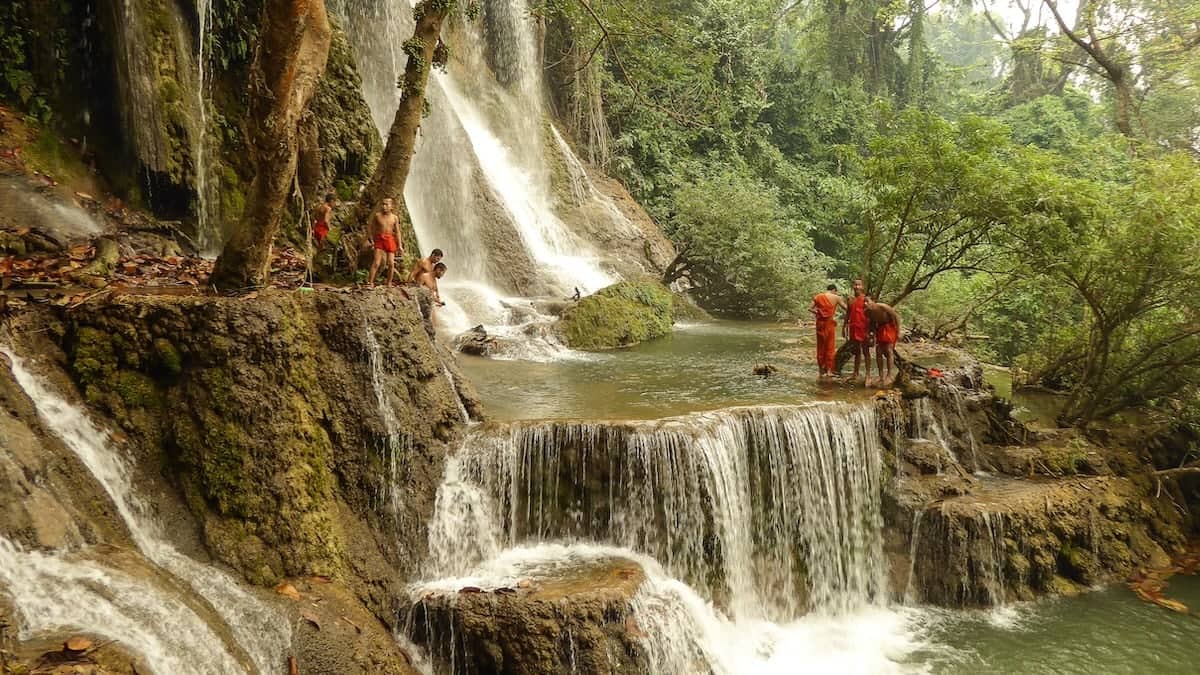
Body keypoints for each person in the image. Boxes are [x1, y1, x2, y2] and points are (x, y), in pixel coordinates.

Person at [810, 284, 845, 378]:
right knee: (830, 346)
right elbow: (846, 308)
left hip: (820, 324)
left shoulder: (818, 296)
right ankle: (829, 370)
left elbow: (810, 308)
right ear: (834, 290)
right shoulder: (836, 297)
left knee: (820, 346)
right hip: (829, 323)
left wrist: (819, 313)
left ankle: (821, 370)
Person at [865, 297, 901, 387]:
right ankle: (881, 375)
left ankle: (889, 375)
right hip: (880, 329)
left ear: (872, 301)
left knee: (888, 350)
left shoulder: (882, 306)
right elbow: (871, 324)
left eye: (867, 301)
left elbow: (895, 316)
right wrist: (871, 336)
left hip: (890, 327)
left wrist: (899, 331)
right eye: (864, 303)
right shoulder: (867, 312)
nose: (866, 304)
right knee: (878, 351)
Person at [367, 198, 402, 288]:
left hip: (390, 239)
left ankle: (389, 283)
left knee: (391, 263)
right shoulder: (377, 216)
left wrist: (400, 245)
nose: (384, 206)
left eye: (387, 204)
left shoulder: (394, 218)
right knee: (376, 262)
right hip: (380, 239)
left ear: (392, 206)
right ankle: (370, 282)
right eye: (383, 204)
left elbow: (397, 231)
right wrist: (371, 239)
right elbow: (371, 228)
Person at [844, 279, 872, 385]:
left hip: (864, 328)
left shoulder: (866, 299)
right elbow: (848, 314)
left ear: (862, 287)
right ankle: (855, 373)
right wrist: (844, 327)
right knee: (856, 352)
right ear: (853, 286)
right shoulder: (850, 300)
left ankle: (868, 375)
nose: (856, 287)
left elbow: (871, 315)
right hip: (853, 327)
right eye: (855, 285)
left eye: (859, 285)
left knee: (866, 351)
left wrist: (871, 331)